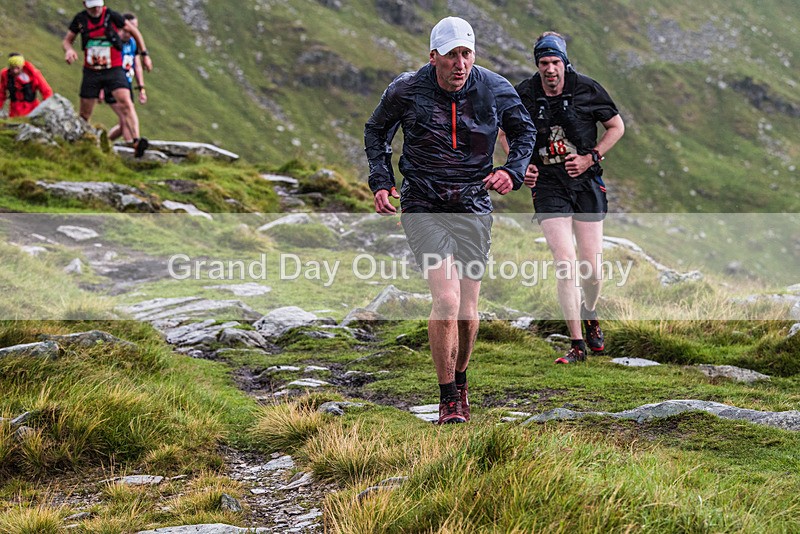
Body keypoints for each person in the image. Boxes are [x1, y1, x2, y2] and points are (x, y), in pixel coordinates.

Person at [365, 17, 536, 424]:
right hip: (424, 201)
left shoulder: (494, 87)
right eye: (451, 55)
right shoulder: (407, 89)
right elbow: (377, 131)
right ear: (433, 57)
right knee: (446, 298)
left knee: (468, 308)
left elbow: (525, 131)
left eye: (467, 54)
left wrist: (512, 171)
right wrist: (381, 181)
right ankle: (446, 399)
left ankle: (460, 384)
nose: (460, 64)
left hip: (474, 203)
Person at [502, 32, 624, 364]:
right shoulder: (524, 93)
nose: (550, 69)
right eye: (544, 63)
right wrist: (520, 165)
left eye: (555, 62)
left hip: (585, 183)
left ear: (564, 62)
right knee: (565, 263)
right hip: (548, 185)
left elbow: (616, 126)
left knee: (592, 268)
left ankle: (591, 310)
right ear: (537, 64)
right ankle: (576, 344)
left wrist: (592, 157)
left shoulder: (587, 88)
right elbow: (504, 131)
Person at [62, 0, 153, 157]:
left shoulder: (112, 16)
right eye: (92, 6)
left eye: (98, 5)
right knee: (85, 113)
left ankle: (136, 140)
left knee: (126, 102)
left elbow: (135, 33)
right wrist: (69, 51)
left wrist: (144, 55)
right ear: (85, 5)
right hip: (91, 71)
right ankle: (82, 145)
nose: (97, 9)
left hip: (113, 69)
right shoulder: (80, 19)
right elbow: (67, 40)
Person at [103, 13, 148, 142]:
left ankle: (104, 143)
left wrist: (141, 89)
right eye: (132, 26)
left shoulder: (133, 43)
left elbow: (137, 66)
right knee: (125, 118)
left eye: (136, 27)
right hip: (112, 84)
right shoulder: (114, 42)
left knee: (124, 123)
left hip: (126, 85)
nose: (134, 30)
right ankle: (132, 147)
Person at [0, 53, 53, 117]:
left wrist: (47, 108)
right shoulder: (5, 75)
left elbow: (46, 91)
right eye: (12, 68)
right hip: (14, 111)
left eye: (17, 68)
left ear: (22, 65)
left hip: (32, 110)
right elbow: (1, 93)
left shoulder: (34, 74)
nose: (15, 71)